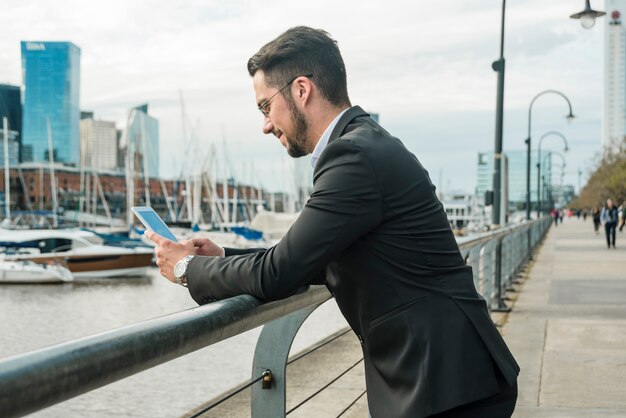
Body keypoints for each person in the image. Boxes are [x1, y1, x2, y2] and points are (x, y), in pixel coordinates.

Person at [148, 26, 519, 418]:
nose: (266, 125)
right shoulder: (364, 144)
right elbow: (316, 256)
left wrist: (188, 268)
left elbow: (280, 271)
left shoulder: (353, 157)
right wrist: (223, 255)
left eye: (265, 107)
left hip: (444, 384)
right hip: (449, 376)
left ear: (301, 90)